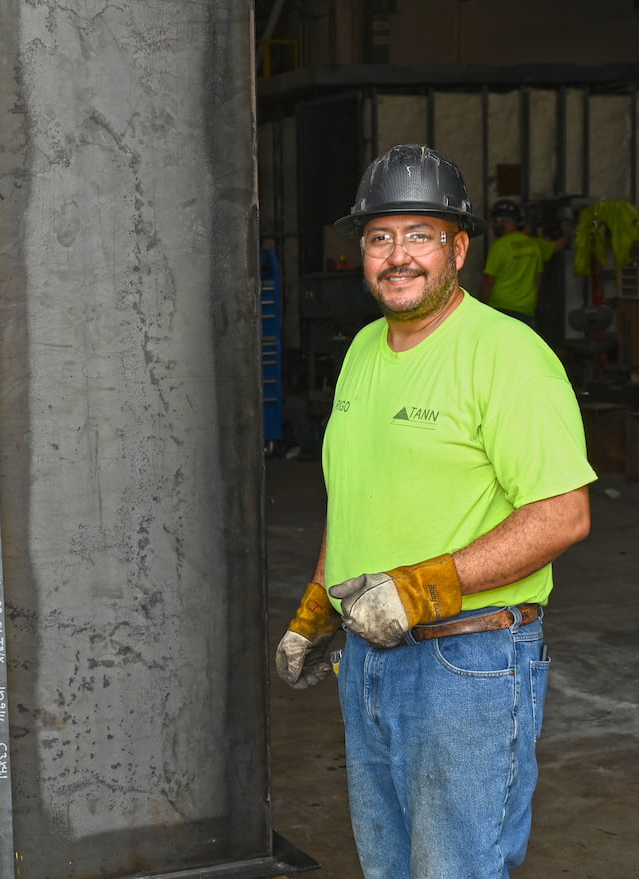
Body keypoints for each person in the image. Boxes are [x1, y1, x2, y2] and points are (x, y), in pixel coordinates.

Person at [274, 144, 596, 879]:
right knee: (388, 866)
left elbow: (563, 515)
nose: (398, 256)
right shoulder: (362, 351)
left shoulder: (507, 355)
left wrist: (423, 586)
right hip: (369, 656)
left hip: (468, 662)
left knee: (456, 867)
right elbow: (354, 492)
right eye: (380, 237)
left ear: (458, 248)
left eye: (419, 235)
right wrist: (319, 604)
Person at [477, 197, 570, 325]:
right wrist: (566, 231)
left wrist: (480, 308)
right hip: (527, 310)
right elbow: (538, 279)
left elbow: (489, 282)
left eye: (494, 221)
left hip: (501, 310)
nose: (492, 225)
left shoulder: (499, 246)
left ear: (502, 220)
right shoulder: (533, 244)